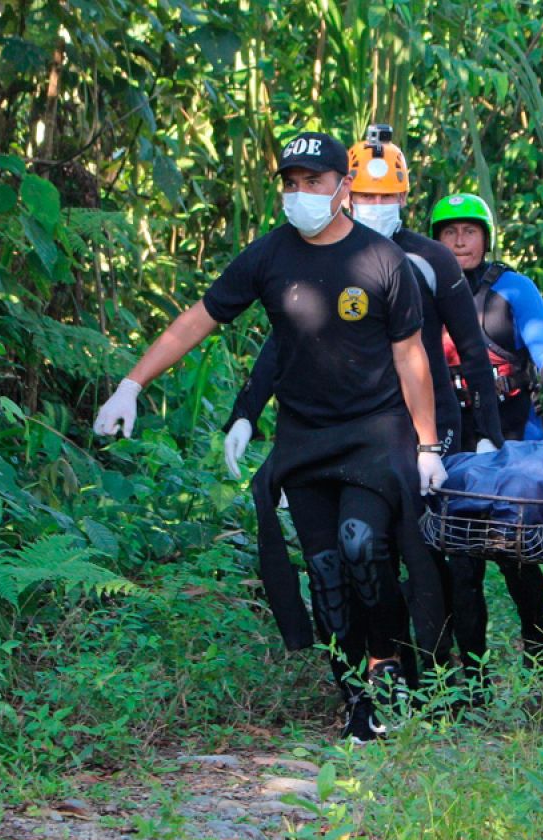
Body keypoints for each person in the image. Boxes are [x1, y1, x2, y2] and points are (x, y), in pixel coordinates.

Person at [92, 131, 447, 741]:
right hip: (304, 440)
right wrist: (131, 384)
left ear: (343, 188)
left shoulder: (383, 262)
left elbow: (412, 357)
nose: (300, 194)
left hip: (374, 433)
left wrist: (428, 446)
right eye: (291, 182)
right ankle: (355, 699)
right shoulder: (268, 256)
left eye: (314, 182)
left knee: (362, 545)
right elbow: (194, 323)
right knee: (327, 571)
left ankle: (387, 661)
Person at [220, 127, 506, 693]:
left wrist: (486, 437)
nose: (375, 207)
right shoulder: (312, 255)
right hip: (350, 429)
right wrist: (246, 411)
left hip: (427, 427)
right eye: (366, 197)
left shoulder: (430, 260)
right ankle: (369, 678)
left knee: (434, 554)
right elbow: (285, 344)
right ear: (348, 193)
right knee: (352, 555)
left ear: (404, 197)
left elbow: (471, 350)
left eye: (386, 197)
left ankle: (455, 676)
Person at [429, 192, 543, 677]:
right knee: (461, 564)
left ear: (486, 238)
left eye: (469, 231)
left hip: (514, 436)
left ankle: (538, 650)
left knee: (517, 554)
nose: (460, 240)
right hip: (454, 441)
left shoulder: (513, 289)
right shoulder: (423, 288)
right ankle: (472, 678)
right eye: (449, 232)